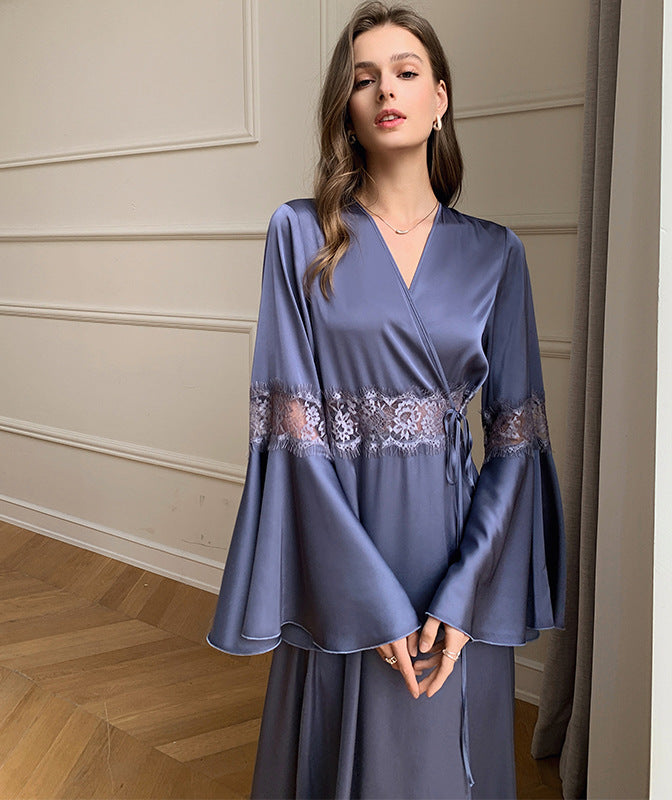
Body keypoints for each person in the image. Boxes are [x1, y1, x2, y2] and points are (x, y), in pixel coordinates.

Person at [206, 2, 566, 798]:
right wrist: (363, 596)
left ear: (440, 98)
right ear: (347, 106)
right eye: (364, 78)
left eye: (406, 72)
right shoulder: (302, 234)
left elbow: (516, 440)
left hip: (456, 557)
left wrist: (467, 595)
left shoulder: (496, 253)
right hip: (342, 549)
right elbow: (290, 433)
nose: (385, 90)